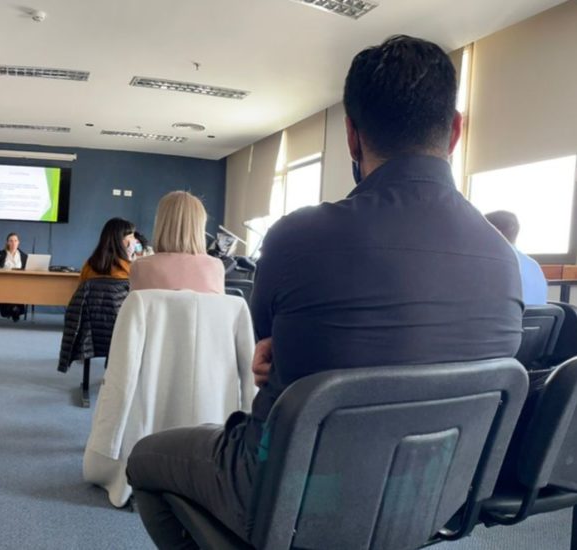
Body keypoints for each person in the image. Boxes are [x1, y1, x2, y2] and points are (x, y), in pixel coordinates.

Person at [126, 36, 523, 547]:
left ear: (352, 137)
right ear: (455, 131)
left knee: (145, 459)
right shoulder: (504, 260)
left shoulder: (296, 237)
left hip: (289, 489)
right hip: (426, 495)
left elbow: (267, 353)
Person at [130, 191, 225, 294]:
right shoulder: (215, 267)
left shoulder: (141, 267)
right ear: (199, 227)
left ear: (161, 223)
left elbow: (135, 309)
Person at [485, 210, 548, 306]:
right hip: (536, 321)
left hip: (508, 320)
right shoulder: (534, 265)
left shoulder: (494, 265)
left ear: (496, 231)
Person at [78, 218, 136, 282]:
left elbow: (81, 289)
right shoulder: (130, 269)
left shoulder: (88, 266)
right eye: (131, 236)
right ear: (120, 240)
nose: (135, 240)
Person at [0, 232, 28, 321]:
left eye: (15, 241)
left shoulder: (24, 256)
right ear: (7, 242)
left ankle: (14, 309)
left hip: (19, 282)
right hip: (3, 281)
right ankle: (14, 310)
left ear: (18, 242)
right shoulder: (0, 254)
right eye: (11, 241)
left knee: (19, 287)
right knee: (6, 287)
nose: (13, 243)